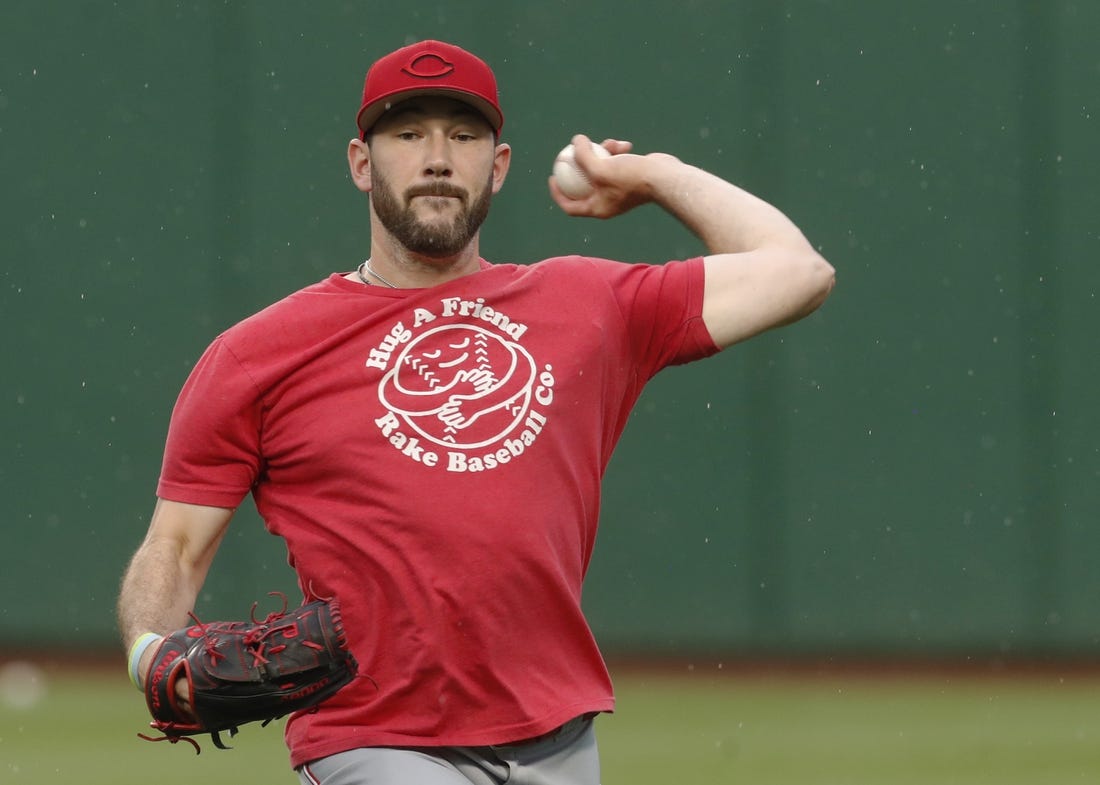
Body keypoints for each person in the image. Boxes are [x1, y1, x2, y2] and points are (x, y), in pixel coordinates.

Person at [116, 39, 835, 785]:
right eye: (408, 134)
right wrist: (148, 650)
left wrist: (655, 176)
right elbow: (174, 545)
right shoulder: (258, 354)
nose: (437, 158)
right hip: (377, 739)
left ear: (499, 167)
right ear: (361, 163)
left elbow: (798, 271)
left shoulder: (586, 305)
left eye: (463, 136)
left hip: (558, 737)